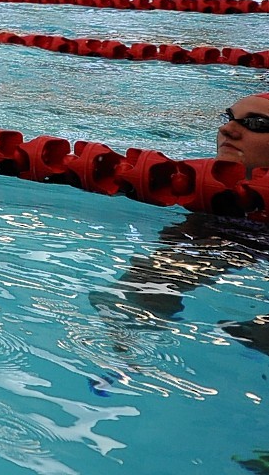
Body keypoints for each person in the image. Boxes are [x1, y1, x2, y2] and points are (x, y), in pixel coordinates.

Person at [93, 92, 269, 358]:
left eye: (256, 123)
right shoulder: (204, 194)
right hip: (230, 228)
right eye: (229, 118)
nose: (227, 130)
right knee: (130, 294)